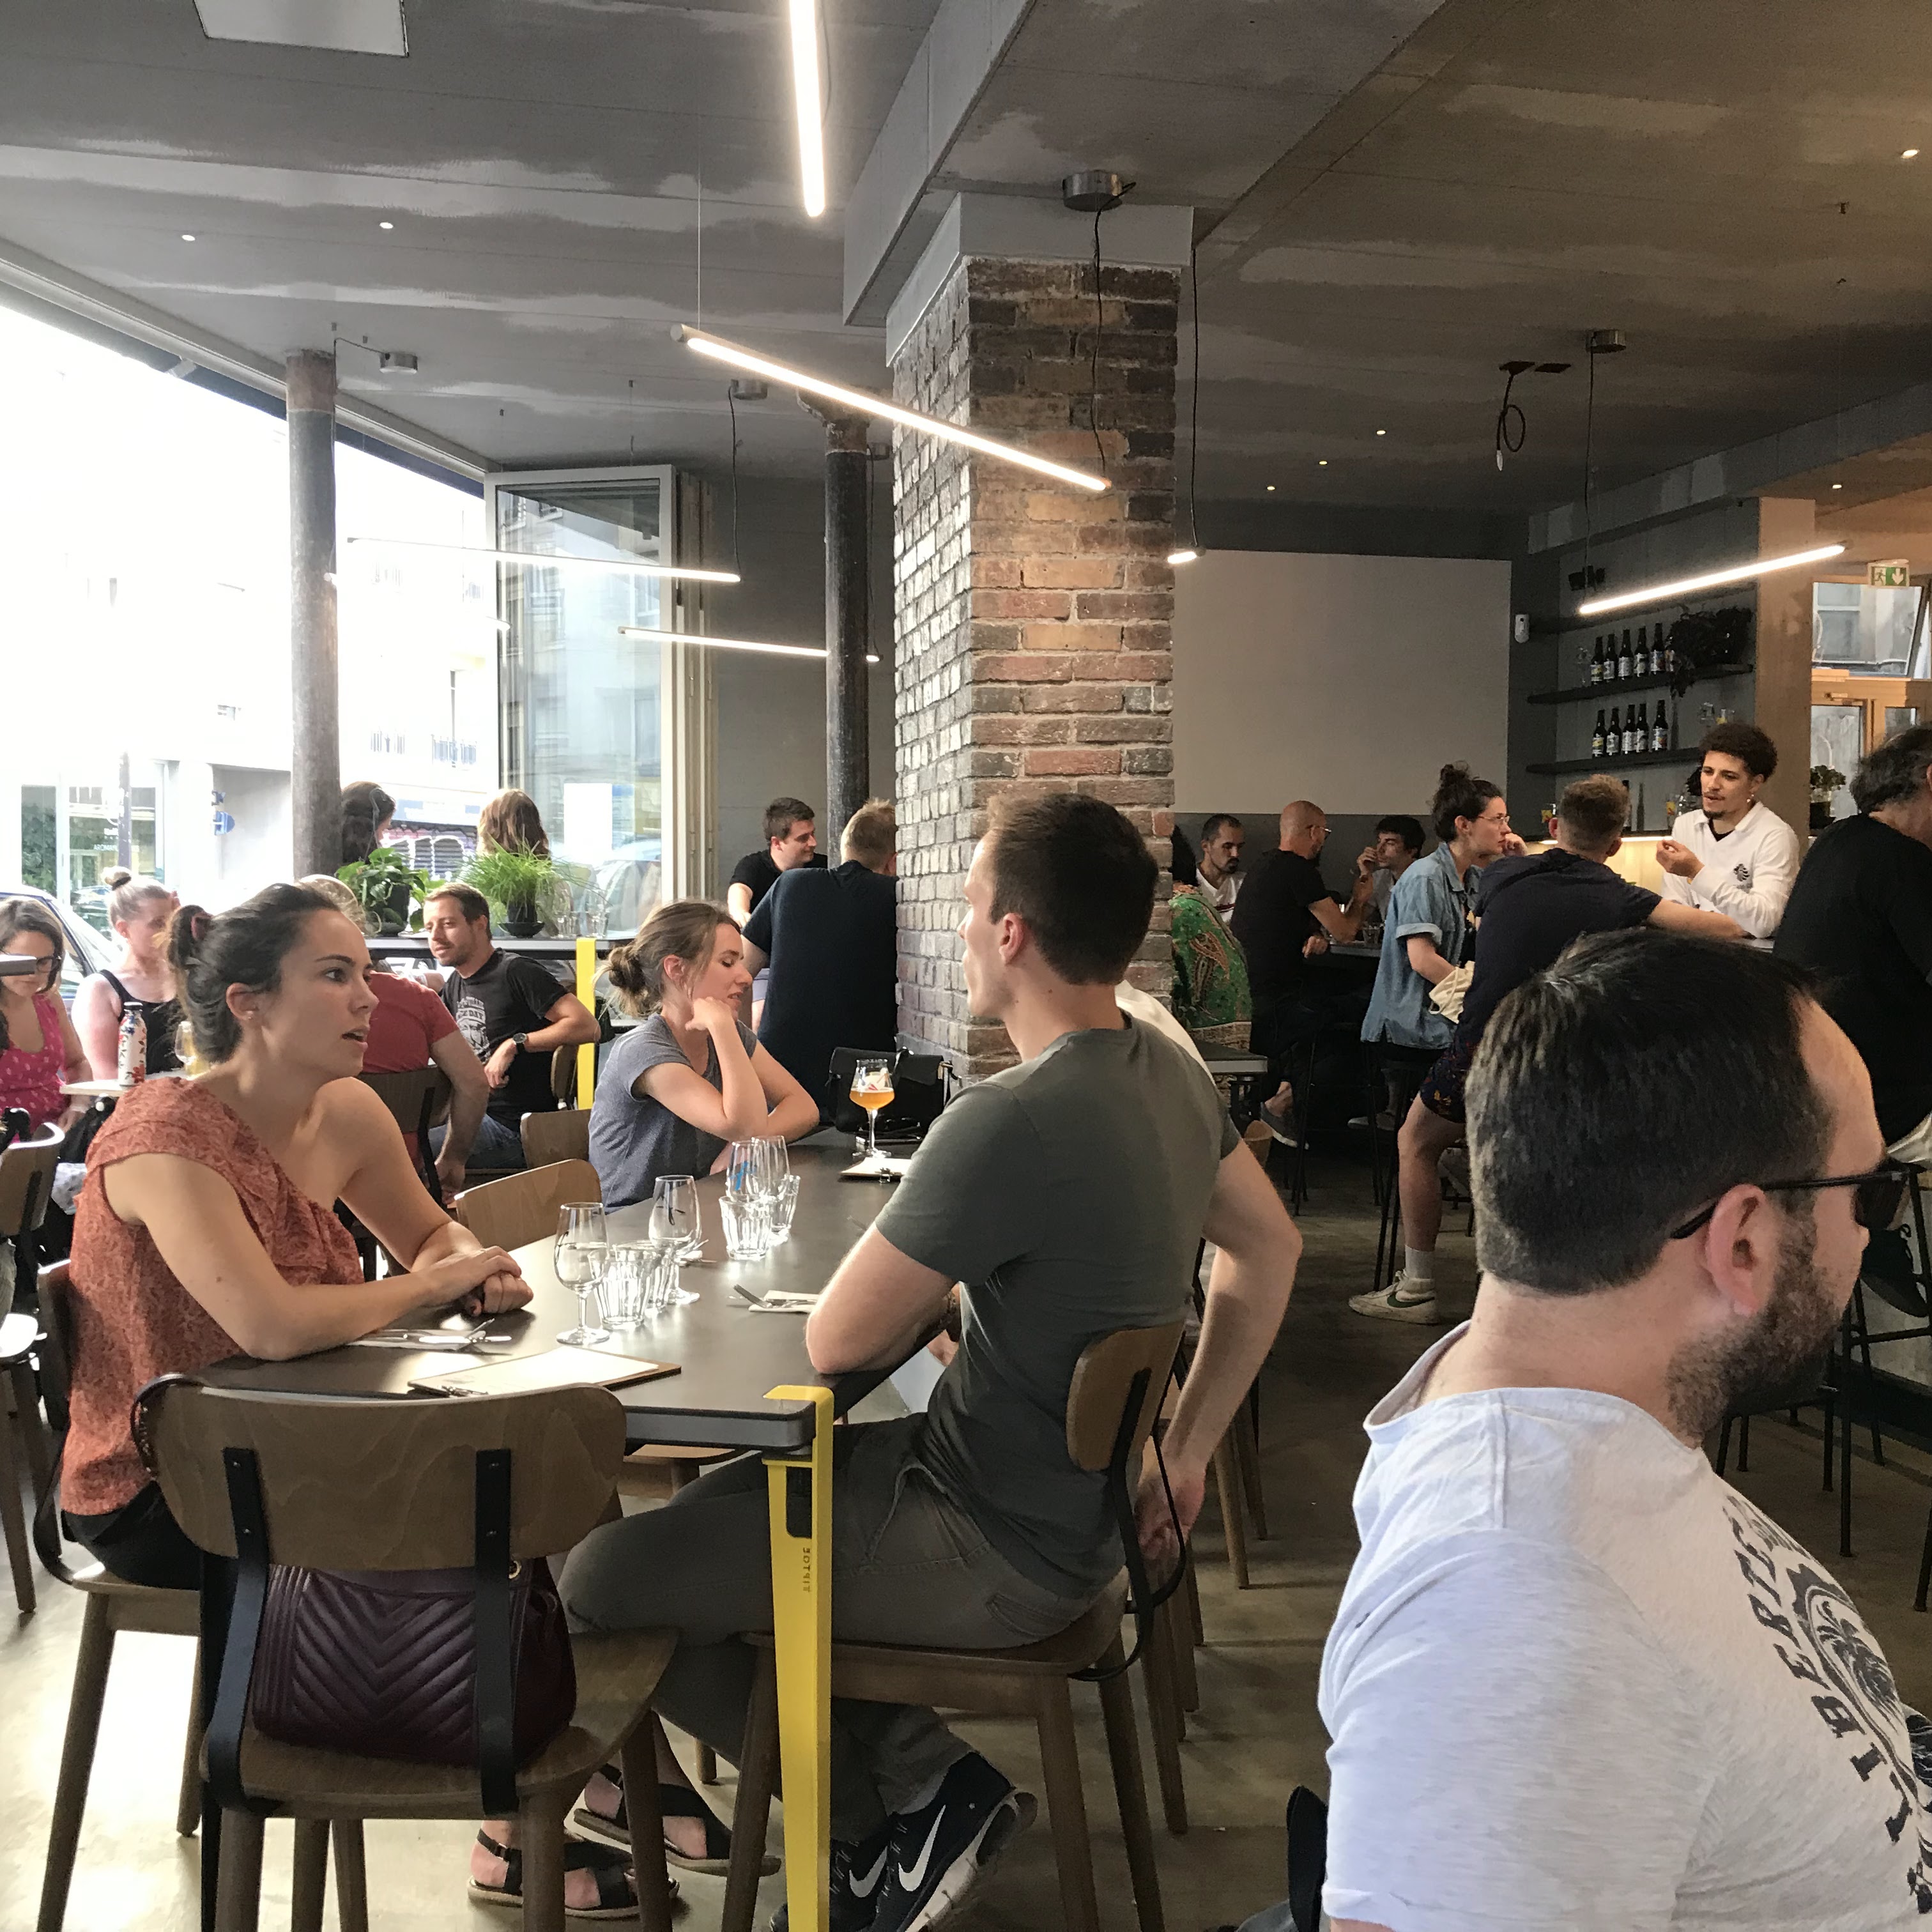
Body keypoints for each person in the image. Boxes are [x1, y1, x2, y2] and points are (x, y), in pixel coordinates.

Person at [562, 792, 1300, 1932]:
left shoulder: (1008, 1117)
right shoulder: (1167, 1074)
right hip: (1079, 1515)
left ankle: (885, 1813)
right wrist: (1188, 1447)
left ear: (1012, 930)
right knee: (709, 1516)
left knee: (600, 1580)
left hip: (986, 1535)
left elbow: (835, 1340)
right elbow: (1272, 1246)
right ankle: (918, 1787)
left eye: (967, 905)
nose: (956, 927)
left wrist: (944, 1258)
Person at [1319, 930, 1932, 1929]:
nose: (1871, 1231)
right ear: (1742, 1240)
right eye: (1868, 1193)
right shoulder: (1516, 1612)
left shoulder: (1584, 1424)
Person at [61, 883, 531, 1589]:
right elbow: (273, 1328)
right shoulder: (165, 1135)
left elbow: (433, 1235)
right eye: (335, 975)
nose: (368, 999)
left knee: (512, 1482)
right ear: (247, 1003)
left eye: (365, 974)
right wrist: (436, 1284)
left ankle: (508, 1653)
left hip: (305, 1432)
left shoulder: (344, 1108)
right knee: (479, 1506)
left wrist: (475, 1269)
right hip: (167, 1484)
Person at [1352, 774, 1742, 1325]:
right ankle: (1549, 1283)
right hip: (1563, 1063)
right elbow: (1728, 929)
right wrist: (1696, 876)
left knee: (1416, 1140)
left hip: (1485, 1048)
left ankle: (1418, 1287)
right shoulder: (1621, 897)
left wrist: (1524, 856)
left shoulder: (1501, 874)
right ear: (1616, 844)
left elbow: (1506, 904)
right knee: (1556, 1149)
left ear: (1555, 827)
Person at [1777, 723, 1932, 1307]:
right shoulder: (1905, 864)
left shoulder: (1838, 843)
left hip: (1816, 1093)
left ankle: (1878, 1223)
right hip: (1890, 1106)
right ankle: (1875, 1219)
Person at [588, 900, 816, 1211]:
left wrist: (741, 1146)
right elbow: (745, 1126)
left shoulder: (730, 1036)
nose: (746, 977)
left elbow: (803, 1107)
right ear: (676, 969)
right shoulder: (644, 1049)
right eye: (728, 962)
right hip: (634, 1226)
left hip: (698, 1211)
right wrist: (722, 1028)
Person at [300, 876, 488, 1196]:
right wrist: (453, 1159)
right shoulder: (418, 999)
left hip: (310, 1177)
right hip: (401, 1177)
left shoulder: (290, 1004)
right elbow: (475, 1083)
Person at [423, 883, 598, 1173]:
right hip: (473, 1116)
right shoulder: (455, 985)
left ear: (480, 924)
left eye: (448, 924)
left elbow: (587, 1026)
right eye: (429, 928)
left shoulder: (516, 971)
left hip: (516, 1130)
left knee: (407, 1150)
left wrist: (515, 1044)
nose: (436, 937)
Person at [1231, 802, 1377, 1142]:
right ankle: (1284, 1102)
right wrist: (1360, 898)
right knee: (1365, 1015)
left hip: (1249, 997)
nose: (1323, 841)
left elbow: (1281, 921)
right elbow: (1345, 932)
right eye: (1324, 833)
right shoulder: (1299, 869)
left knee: (1335, 1014)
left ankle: (1285, 1094)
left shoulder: (1263, 866)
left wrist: (1313, 934)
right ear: (1313, 832)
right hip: (1278, 1006)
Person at [742, 799, 899, 1111]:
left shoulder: (789, 885)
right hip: (863, 1083)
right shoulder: (898, 898)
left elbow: (739, 970)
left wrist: (746, 1053)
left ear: (846, 848)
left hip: (778, 1080)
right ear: (894, 862)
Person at [1360, 772, 1510, 1059]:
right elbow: (1422, 959)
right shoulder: (1426, 877)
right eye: (1498, 819)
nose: (1506, 829)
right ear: (1464, 825)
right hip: (1411, 1028)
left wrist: (1518, 863)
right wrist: (1478, 998)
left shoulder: (1475, 878)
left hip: (1443, 1024)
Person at [1655, 720, 1802, 937]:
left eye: (1729, 776)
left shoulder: (1775, 835)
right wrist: (1736, 925)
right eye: (1708, 772)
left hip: (1748, 955)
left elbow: (1764, 922)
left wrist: (1696, 872)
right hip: (1690, 948)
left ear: (1755, 783)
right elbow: (1673, 908)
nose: (1713, 785)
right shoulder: (1686, 825)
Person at [73, 871, 183, 1079]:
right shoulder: (101, 989)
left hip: (192, 1094)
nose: (169, 932)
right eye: (159, 923)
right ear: (123, 929)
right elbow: (105, 1074)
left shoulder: (185, 976)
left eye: (173, 921)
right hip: (130, 1098)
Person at [0, 896, 88, 1132]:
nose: (32, 974)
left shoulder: (48, 999)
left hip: (58, 1131)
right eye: (21, 962)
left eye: (44, 962)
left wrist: (79, 1105)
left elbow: (77, 1063)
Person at [1170, 873, 1252, 1049]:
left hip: (1208, 1036)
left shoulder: (1180, 908)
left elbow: (1172, 984)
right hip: (1233, 1031)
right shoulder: (1195, 902)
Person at [726, 797, 821, 925]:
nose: (813, 843)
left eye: (813, 834)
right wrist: (740, 912)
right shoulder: (753, 866)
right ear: (776, 843)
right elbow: (739, 888)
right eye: (803, 838)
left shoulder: (825, 866)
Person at [1367, 815, 1425, 920]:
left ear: (1411, 851)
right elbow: (1352, 923)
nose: (1379, 850)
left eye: (1390, 843)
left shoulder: (1427, 879)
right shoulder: (1380, 877)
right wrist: (1365, 875)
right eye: (1379, 841)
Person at [1197, 812, 1246, 923]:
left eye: (1239, 847)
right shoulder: (1189, 884)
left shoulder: (1245, 884)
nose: (1235, 854)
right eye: (1227, 847)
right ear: (1206, 846)